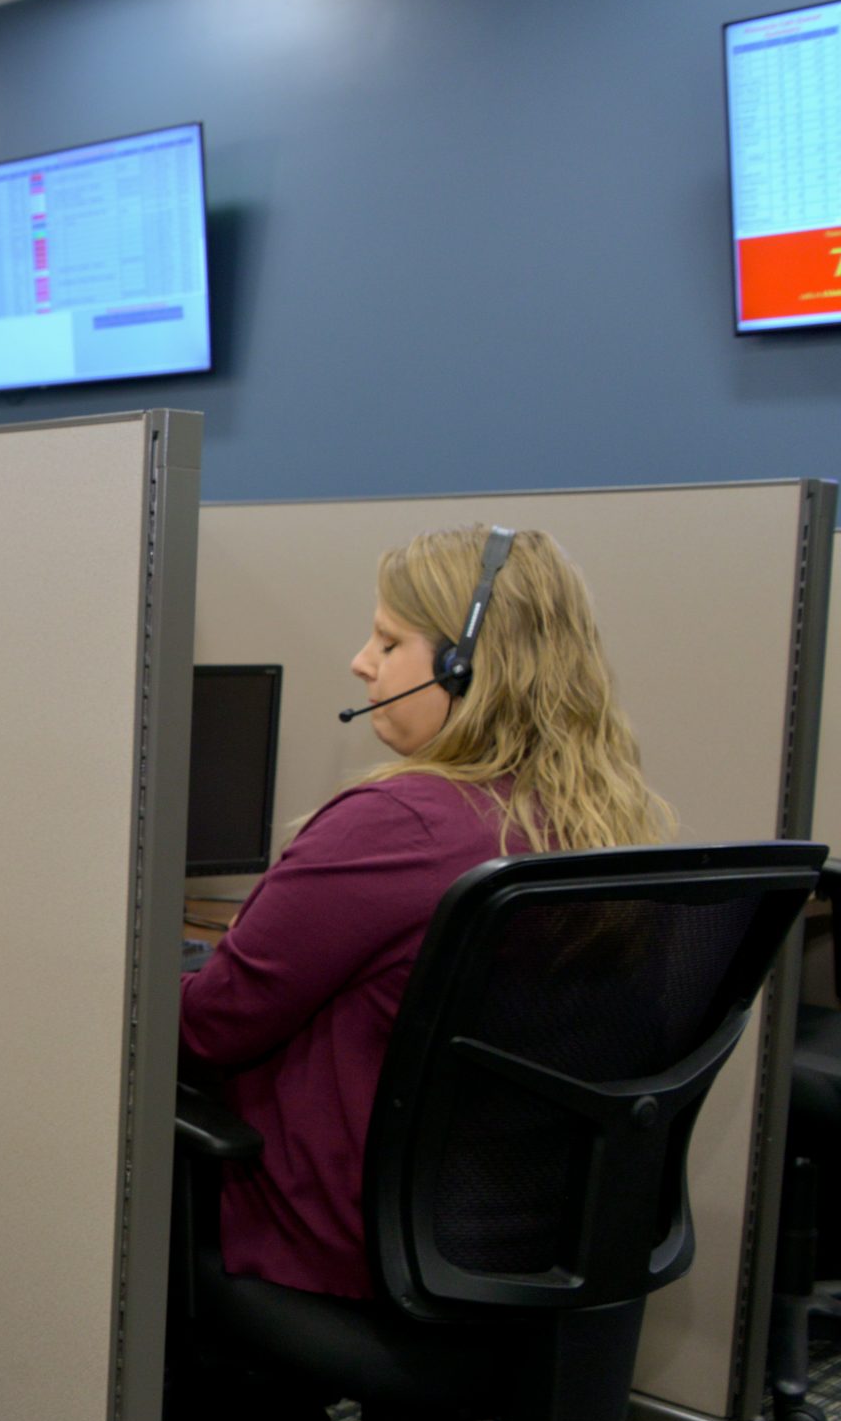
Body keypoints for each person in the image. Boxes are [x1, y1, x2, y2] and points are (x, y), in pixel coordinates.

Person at [180, 524, 673, 1302]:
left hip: (348, 1237)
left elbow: (205, 1027)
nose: (360, 661)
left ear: (463, 667)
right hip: (522, 1234)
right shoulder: (603, 820)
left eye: (386, 640)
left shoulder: (400, 824)